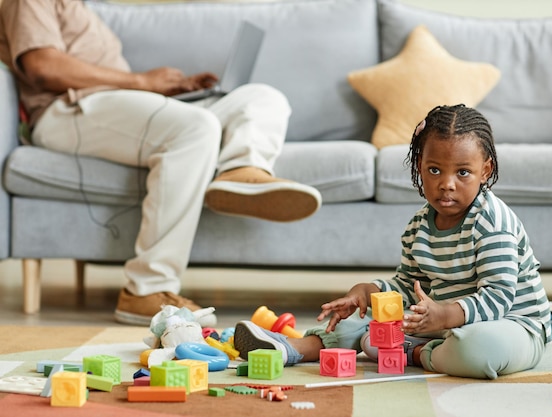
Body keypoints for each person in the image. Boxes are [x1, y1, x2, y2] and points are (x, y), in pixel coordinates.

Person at [0, 0, 321, 325]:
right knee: (197, 127)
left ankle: (243, 171)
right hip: (67, 111)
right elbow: (43, 67)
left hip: (112, 105)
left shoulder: (83, 9)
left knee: (261, 97)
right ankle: (146, 289)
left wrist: (171, 96)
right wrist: (145, 82)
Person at [233, 104, 552, 379]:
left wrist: (442, 315)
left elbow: (498, 298)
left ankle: (417, 353)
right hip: (438, 322)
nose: (447, 184)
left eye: (463, 173)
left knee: (476, 349)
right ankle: (292, 348)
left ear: (486, 171)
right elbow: (405, 288)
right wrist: (366, 293)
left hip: (512, 326)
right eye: (435, 170)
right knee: (361, 320)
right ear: (419, 169)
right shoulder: (418, 226)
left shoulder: (491, 222)